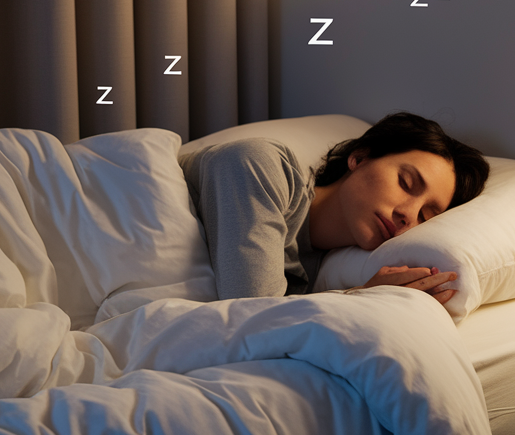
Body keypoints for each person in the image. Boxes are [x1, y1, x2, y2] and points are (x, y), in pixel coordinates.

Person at [177, 112, 490, 306]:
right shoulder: (260, 165)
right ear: (359, 158)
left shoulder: (313, 272)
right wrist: (364, 296)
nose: (408, 214)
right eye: (406, 183)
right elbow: (252, 318)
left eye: (426, 216)